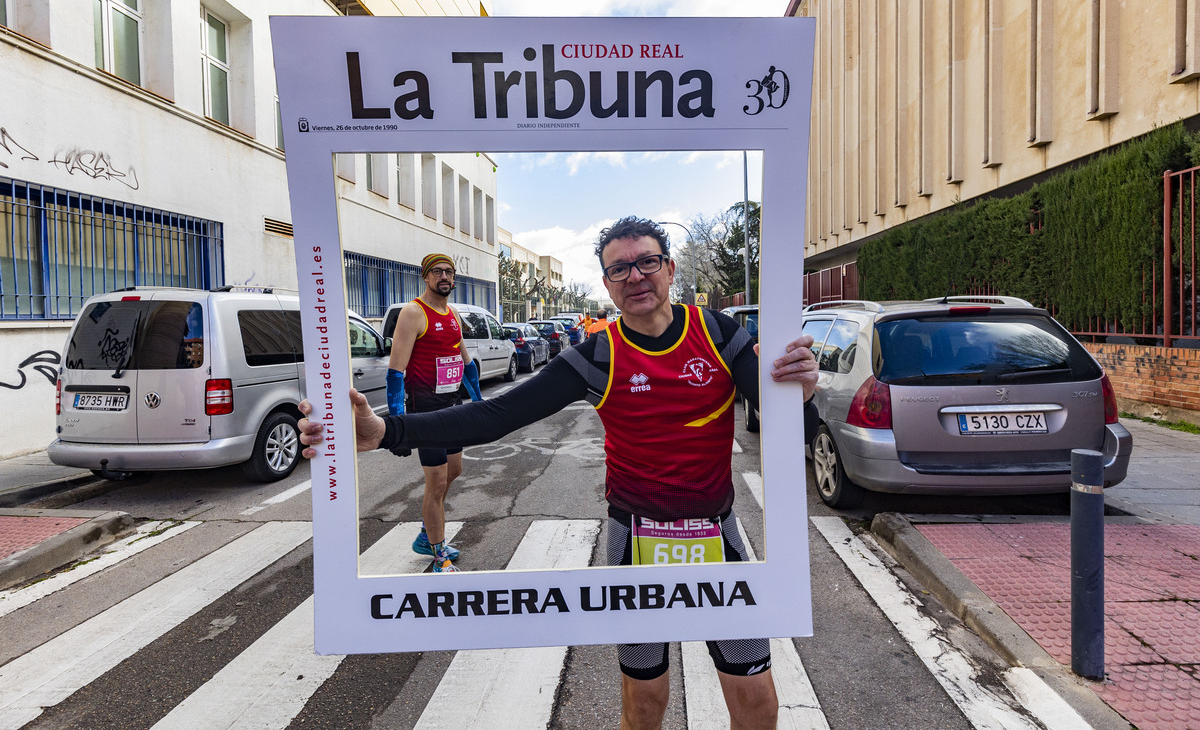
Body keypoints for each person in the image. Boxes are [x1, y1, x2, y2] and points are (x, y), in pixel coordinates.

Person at [300, 217, 819, 729]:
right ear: (607, 285)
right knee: (645, 703)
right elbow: (496, 415)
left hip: (716, 533)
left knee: (757, 701)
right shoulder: (597, 354)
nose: (636, 276)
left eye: (647, 262)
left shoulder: (719, 331)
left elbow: (789, 423)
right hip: (635, 537)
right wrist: (388, 431)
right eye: (620, 269)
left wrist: (805, 394)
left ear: (669, 268)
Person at [385, 252, 484, 573]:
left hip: (452, 409)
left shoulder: (453, 313)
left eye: (449, 272)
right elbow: (396, 372)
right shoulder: (413, 313)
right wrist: (399, 425)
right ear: (425, 277)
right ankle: (439, 554)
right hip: (424, 413)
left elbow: (466, 363)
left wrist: (479, 403)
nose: (445, 277)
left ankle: (428, 534)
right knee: (438, 481)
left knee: (454, 470)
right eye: (438, 272)